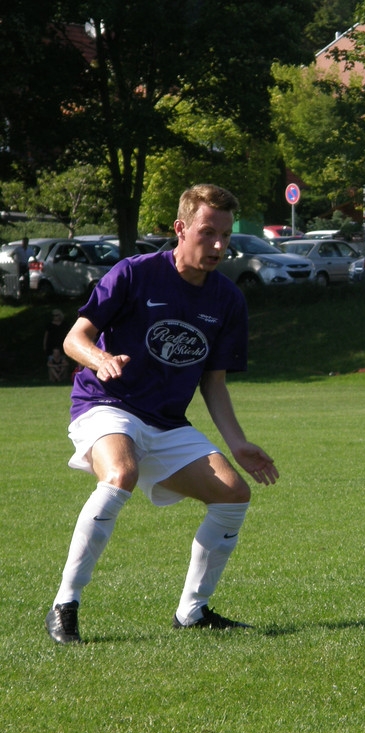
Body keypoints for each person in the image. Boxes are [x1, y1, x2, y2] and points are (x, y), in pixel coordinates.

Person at [45, 184, 279, 645]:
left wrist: (237, 444)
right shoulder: (135, 273)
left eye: (226, 236)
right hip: (107, 404)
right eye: (207, 233)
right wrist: (100, 360)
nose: (218, 245)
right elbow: (75, 338)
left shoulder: (228, 299)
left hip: (167, 421)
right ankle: (65, 605)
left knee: (233, 495)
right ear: (181, 228)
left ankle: (192, 612)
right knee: (121, 474)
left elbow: (213, 383)